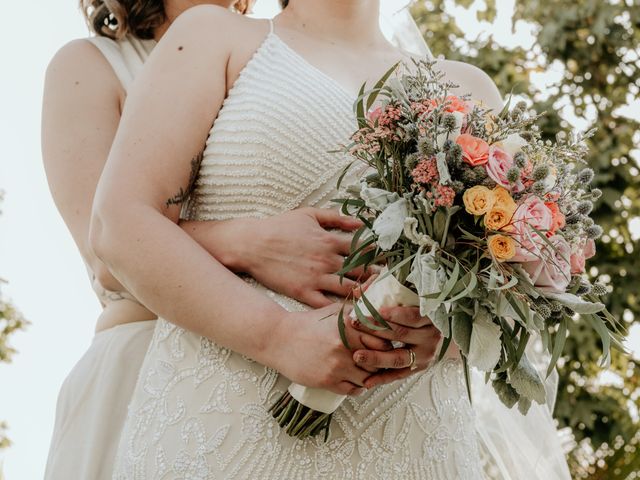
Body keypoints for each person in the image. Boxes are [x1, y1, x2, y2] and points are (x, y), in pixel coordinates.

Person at [89, 1, 516, 477]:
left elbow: (509, 298)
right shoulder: (214, 38)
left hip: (414, 438)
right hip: (225, 429)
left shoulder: (469, 90)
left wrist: (440, 338)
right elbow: (120, 224)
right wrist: (277, 336)